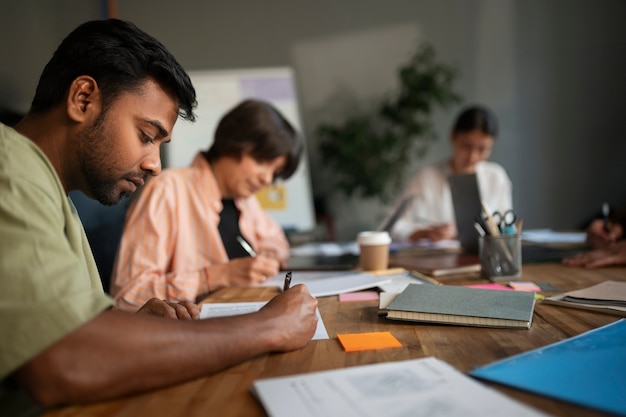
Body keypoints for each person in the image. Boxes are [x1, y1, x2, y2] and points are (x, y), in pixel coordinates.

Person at [0, 19, 318, 413]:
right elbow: (64, 358)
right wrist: (269, 327)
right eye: (147, 136)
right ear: (82, 99)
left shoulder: (53, 191)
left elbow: (61, 320)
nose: (155, 165)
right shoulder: (9, 167)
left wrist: (129, 322)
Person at [110, 99, 301, 311]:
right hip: (190, 334)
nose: (267, 179)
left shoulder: (244, 199)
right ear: (233, 144)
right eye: (262, 162)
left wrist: (269, 257)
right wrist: (213, 277)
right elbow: (127, 295)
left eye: (274, 173)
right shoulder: (168, 190)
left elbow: (276, 241)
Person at [389, 105, 512, 242]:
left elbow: (506, 228)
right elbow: (391, 227)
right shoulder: (426, 178)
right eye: (467, 145)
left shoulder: (496, 177)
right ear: (453, 136)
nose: (472, 157)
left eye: (482, 149)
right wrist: (423, 233)